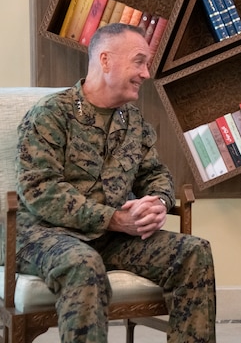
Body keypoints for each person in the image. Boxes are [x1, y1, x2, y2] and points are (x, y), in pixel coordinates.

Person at [15, 23, 216, 342]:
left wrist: (157, 204)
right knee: (83, 263)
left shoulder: (133, 120)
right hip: (44, 234)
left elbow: (156, 174)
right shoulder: (51, 115)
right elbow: (41, 190)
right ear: (105, 60)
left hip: (111, 237)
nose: (146, 73)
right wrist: (114, 218)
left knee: (194, 252)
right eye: (139, 61)